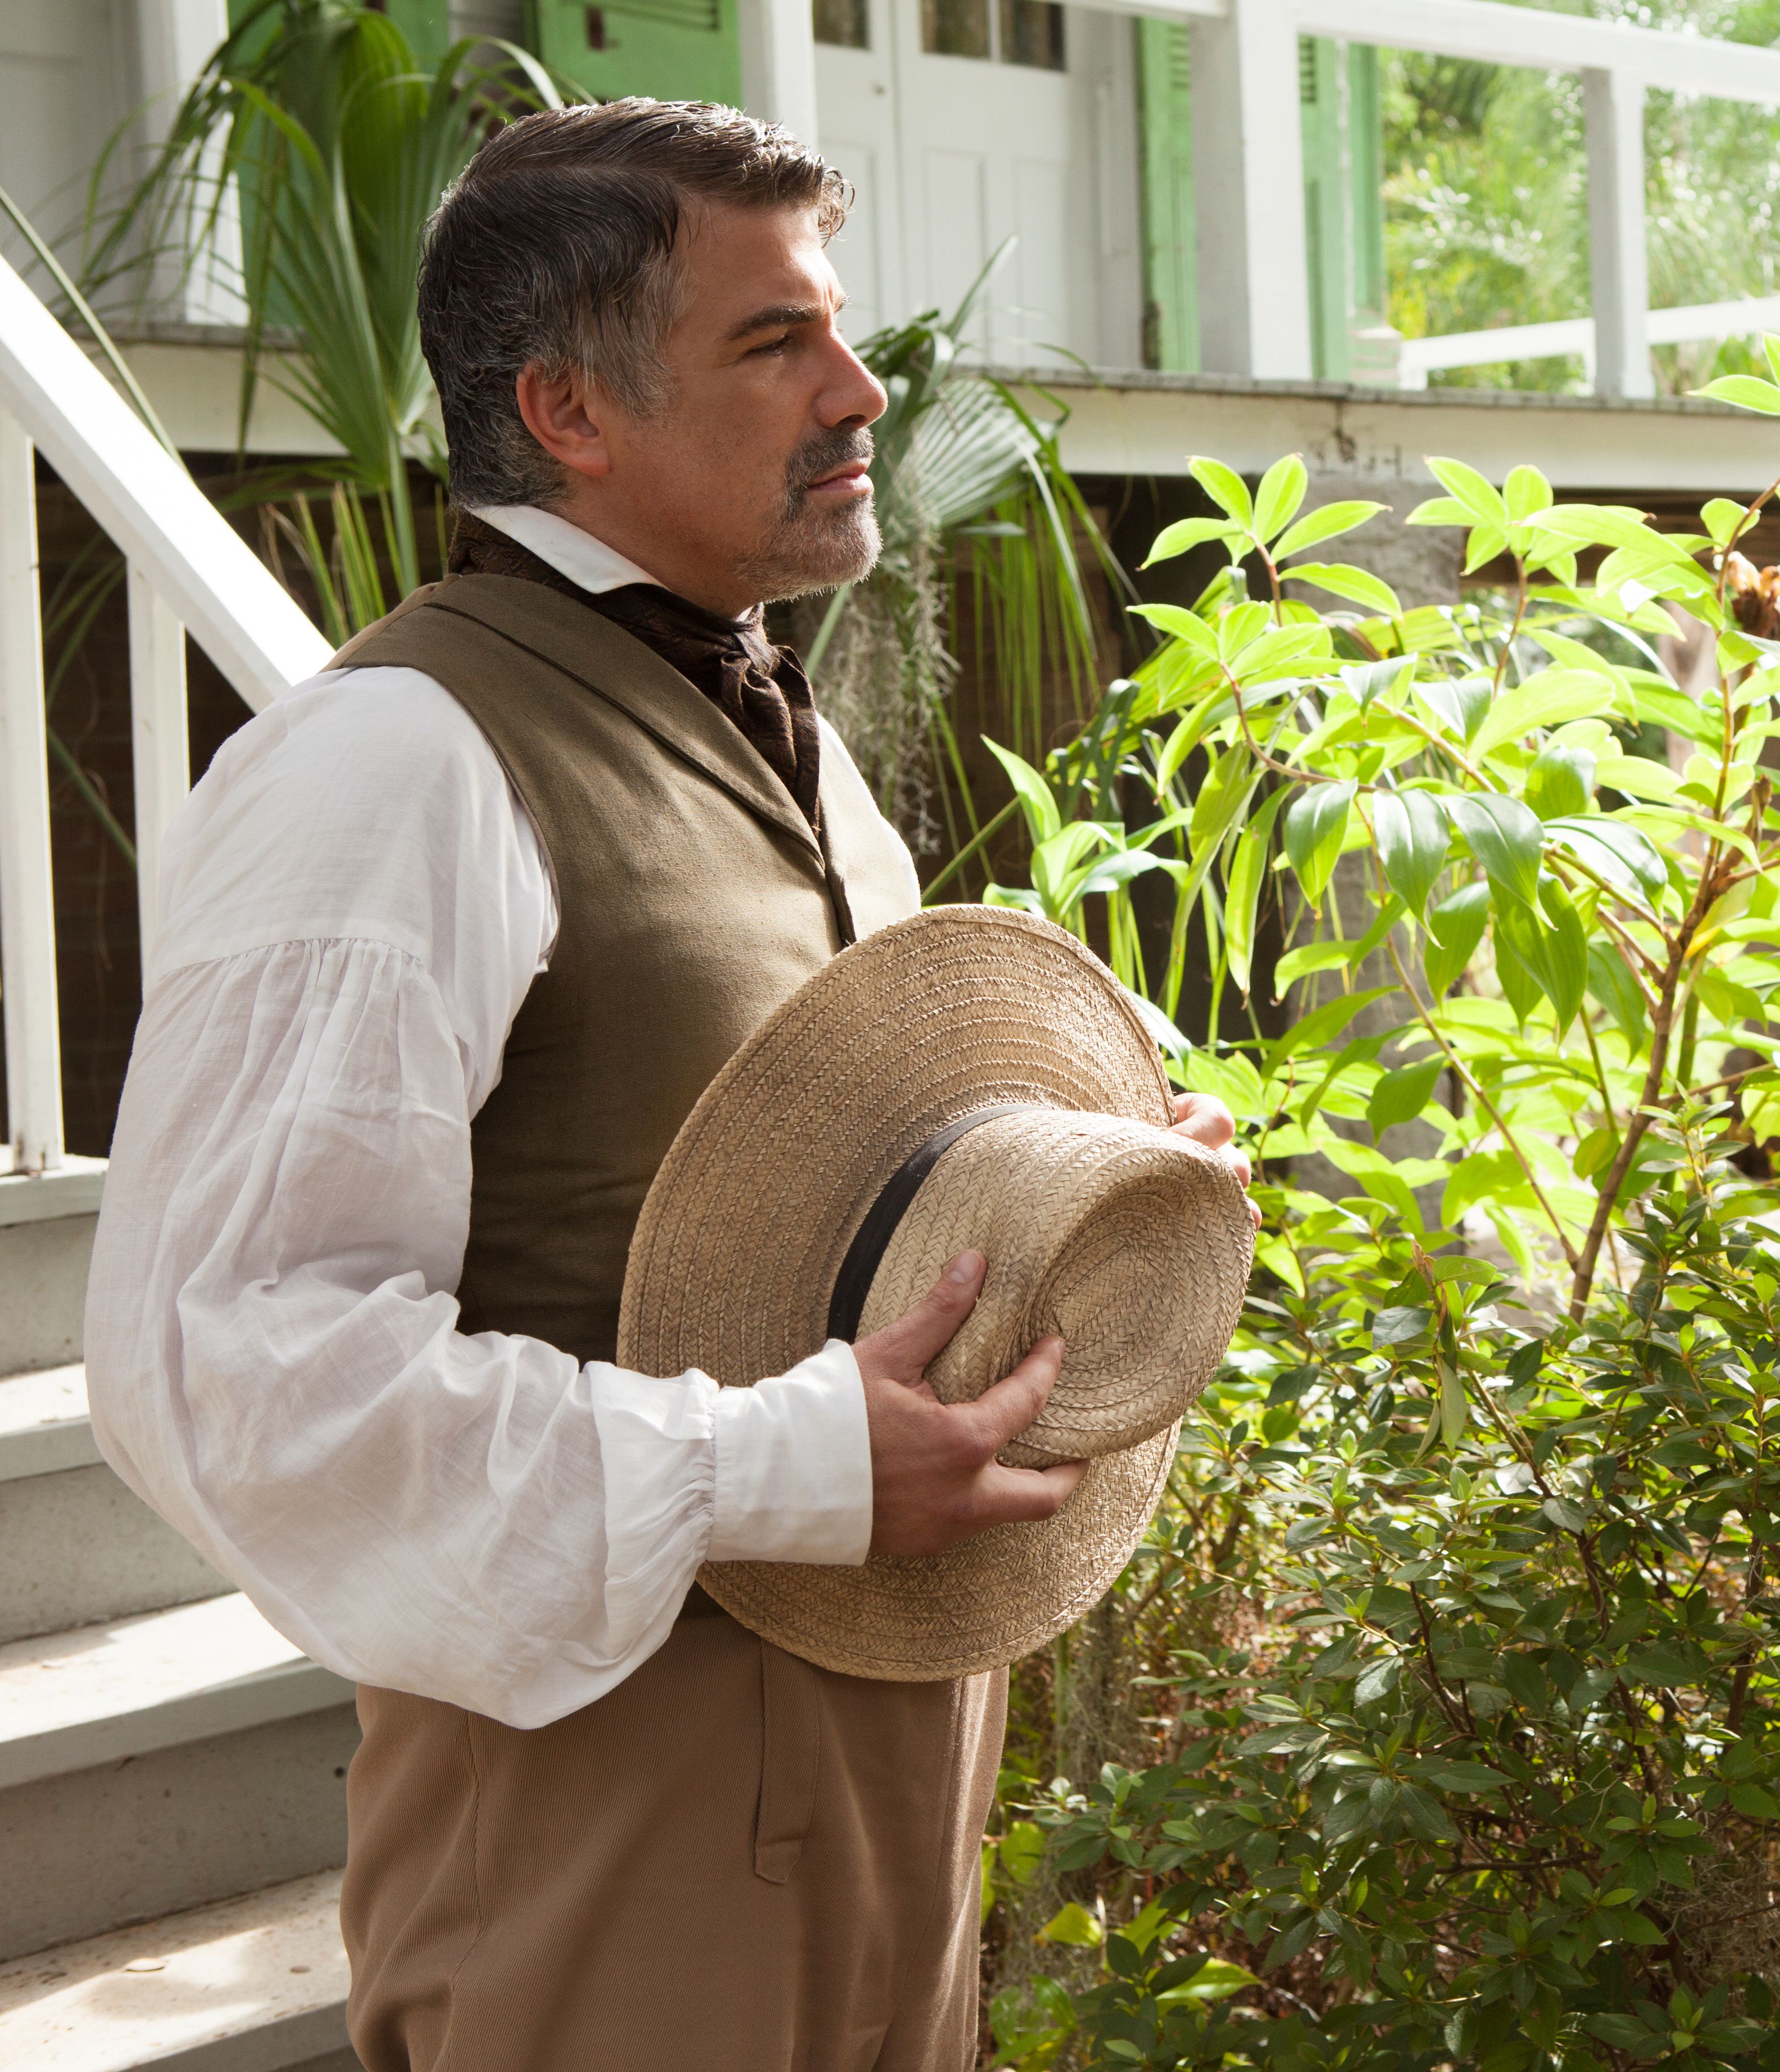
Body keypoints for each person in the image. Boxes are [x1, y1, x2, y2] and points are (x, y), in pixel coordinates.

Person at [84, 101, 1242, 2070]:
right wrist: (781, 1467)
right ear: (570, 410)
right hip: (619, 1807)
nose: (861, 391)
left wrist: (1073, 1183)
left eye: (839, 329)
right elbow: (226, 1362)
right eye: (773, 342)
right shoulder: (394, 762)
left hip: (899, 1764)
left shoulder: (783, 730)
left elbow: (811, 1208)